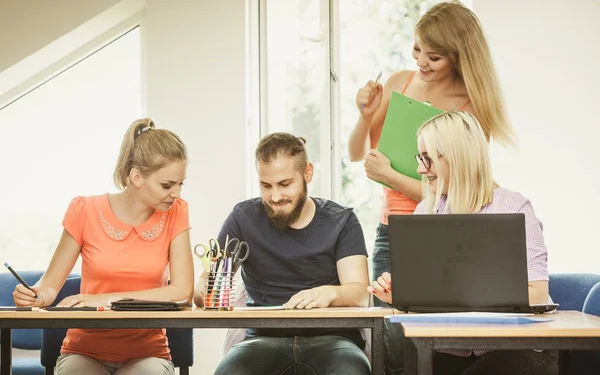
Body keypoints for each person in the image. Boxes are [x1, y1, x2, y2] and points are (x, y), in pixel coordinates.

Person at [368, 111, 557, 375]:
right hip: (448, 350)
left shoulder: (514, 208)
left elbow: (536, 293)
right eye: (419, 158)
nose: (421, 169)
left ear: (457, 156)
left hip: (516, 349)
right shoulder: (426, 210)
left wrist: (452, 295)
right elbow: (424, 296)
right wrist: (400, 295)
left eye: (428, 158)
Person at [347, 0, 516, 293]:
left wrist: (389, 176)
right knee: (390, 330)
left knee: (438, 326)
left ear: (458, 57)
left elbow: (457, 192)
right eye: (417, 49)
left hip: (444, 233)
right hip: (391, 231)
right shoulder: (400, 82)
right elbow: (356, 154)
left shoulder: (471, 109)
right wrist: (365, 116)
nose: (420, 62)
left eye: (433, 56)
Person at [13, 118, 194, 375]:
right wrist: (34, 295)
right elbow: (49, 287)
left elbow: (182, 291)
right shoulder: (84, 210)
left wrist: (106, 299)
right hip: (83, 352)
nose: (177, 193)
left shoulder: (177, 212)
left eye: (180, 184)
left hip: (148, 354)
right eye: (167, 185)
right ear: (137, 177)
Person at [194, 132, 371, 375]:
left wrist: (330, 292)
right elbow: (204, 286)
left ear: (307, 173)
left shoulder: (341, 221)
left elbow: (360, 293)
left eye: (285, 184)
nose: (275, 197)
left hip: (333, 341)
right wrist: (206, 292)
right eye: (266, 186)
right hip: (261, 340)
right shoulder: (243, 218)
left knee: (351, 371)